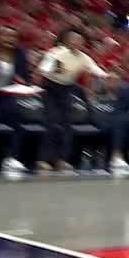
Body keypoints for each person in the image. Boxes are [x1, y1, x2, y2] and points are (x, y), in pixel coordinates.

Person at [36, 27, 107, 172]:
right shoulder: (55, 52)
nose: (76, 42)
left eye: (79, 40)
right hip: (50, 88)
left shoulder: (84, 57)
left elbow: (95, 69)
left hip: (67, 89)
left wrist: (106, 76)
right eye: (73, 39)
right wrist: (55, 69)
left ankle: (62, 160)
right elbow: (44, 69)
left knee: (67, 126)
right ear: (66, 40)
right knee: (52, 123)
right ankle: (43, 160)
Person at [0, 27, 31, 173]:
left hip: (7, 95)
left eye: (12, 36)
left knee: (17, 121)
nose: (9, 39)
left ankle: (11, 159)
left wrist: (22, 81)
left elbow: (25, 77)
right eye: (6, 35)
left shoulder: (20, 55)